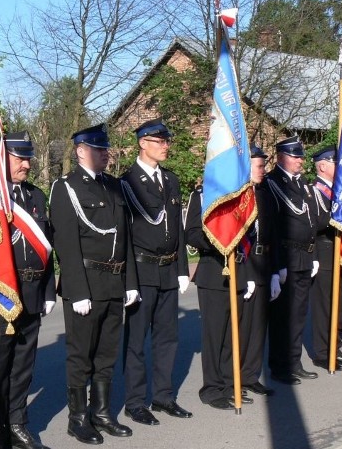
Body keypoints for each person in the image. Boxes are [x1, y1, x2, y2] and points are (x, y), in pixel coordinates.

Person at [49, 124, 138, 445]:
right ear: (80, 150)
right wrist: (77, 289)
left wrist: (129, 281)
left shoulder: (114, 187)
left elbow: (124, 236)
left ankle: (102, 413)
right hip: (86, 282)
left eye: (106, 149)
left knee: (106, 352)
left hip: (114, 282)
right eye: (99, 149)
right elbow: (66, 243)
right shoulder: (66, 187)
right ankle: (78, 419)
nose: (106, 154)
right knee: (81, 354)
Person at [0, 131, 55, 449]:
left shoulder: (36, 196)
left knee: (22, 368)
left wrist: (47, 290)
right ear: (1, 159)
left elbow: (47, 247)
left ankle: (18, 424)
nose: (26, 163)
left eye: (28, 157)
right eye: (19, 157)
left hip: (31, 294)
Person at [119, 118, 192, 425]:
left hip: (167, 269)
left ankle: (163, 396)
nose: (166, 146)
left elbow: (177, 226)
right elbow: (124, 234)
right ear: (142, 143)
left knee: (167, 338)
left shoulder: (171, 180)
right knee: (136, 340)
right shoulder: (126, 183)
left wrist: (181, 269)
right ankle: (135, 402)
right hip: (142, 269)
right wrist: (129, 281)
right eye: (160, 141)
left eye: (167, 141)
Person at [185, 168, 253, 410]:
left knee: (234, 334)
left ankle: (229, 384)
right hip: (213, 271)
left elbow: (251, 230)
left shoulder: (240, 196)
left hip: (240, 269)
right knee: (215, 335)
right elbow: (191, 233)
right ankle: (211, 389)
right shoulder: (202, 196)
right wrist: (219, 241)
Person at [265, 136, 321, 384]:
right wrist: (278, 266)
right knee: (281, 317)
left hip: (305, 256)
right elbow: (273, 227)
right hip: (287, 256)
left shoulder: (303, 184)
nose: (300, 160)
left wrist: (315, 255)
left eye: (301, 156)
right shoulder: (271, 183)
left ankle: (294, 361)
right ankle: (279, 366)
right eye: (295, 156)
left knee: (298, 314)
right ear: (280, 157)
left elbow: (310, 223)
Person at [308, 146, 342, 371]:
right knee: (324, 307)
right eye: (334, 162)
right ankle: (322, 353)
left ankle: (334, 349)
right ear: (322, 165)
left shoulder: (339, 190)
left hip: (341, 252)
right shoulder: (315, 191)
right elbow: (316, 223)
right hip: (325, 251)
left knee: (338, 305)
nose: (340, 167)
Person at [239, 145, 278, 397]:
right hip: (245, 262)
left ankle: (251, 375)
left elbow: (273, 232)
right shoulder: (237, 196)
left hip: (264, 262)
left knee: (258, 327)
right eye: (259, 165)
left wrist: (275, 270)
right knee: (243, 325)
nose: (264, 170)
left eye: (264, 165)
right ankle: (236, 375)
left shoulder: (264, 194)